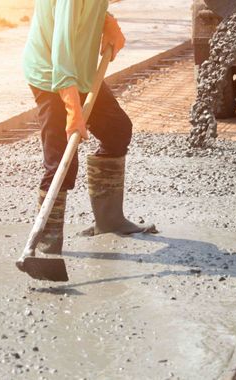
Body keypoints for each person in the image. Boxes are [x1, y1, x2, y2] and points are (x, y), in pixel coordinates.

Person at [18, 0, 155, 268]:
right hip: (52, 76)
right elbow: (61, 49)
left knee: (117, 130)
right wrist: (73, 110)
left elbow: (86, 12)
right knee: (61, 162)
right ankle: (46, 244)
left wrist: (107, 20)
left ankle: (109, 220)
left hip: (79, 71)